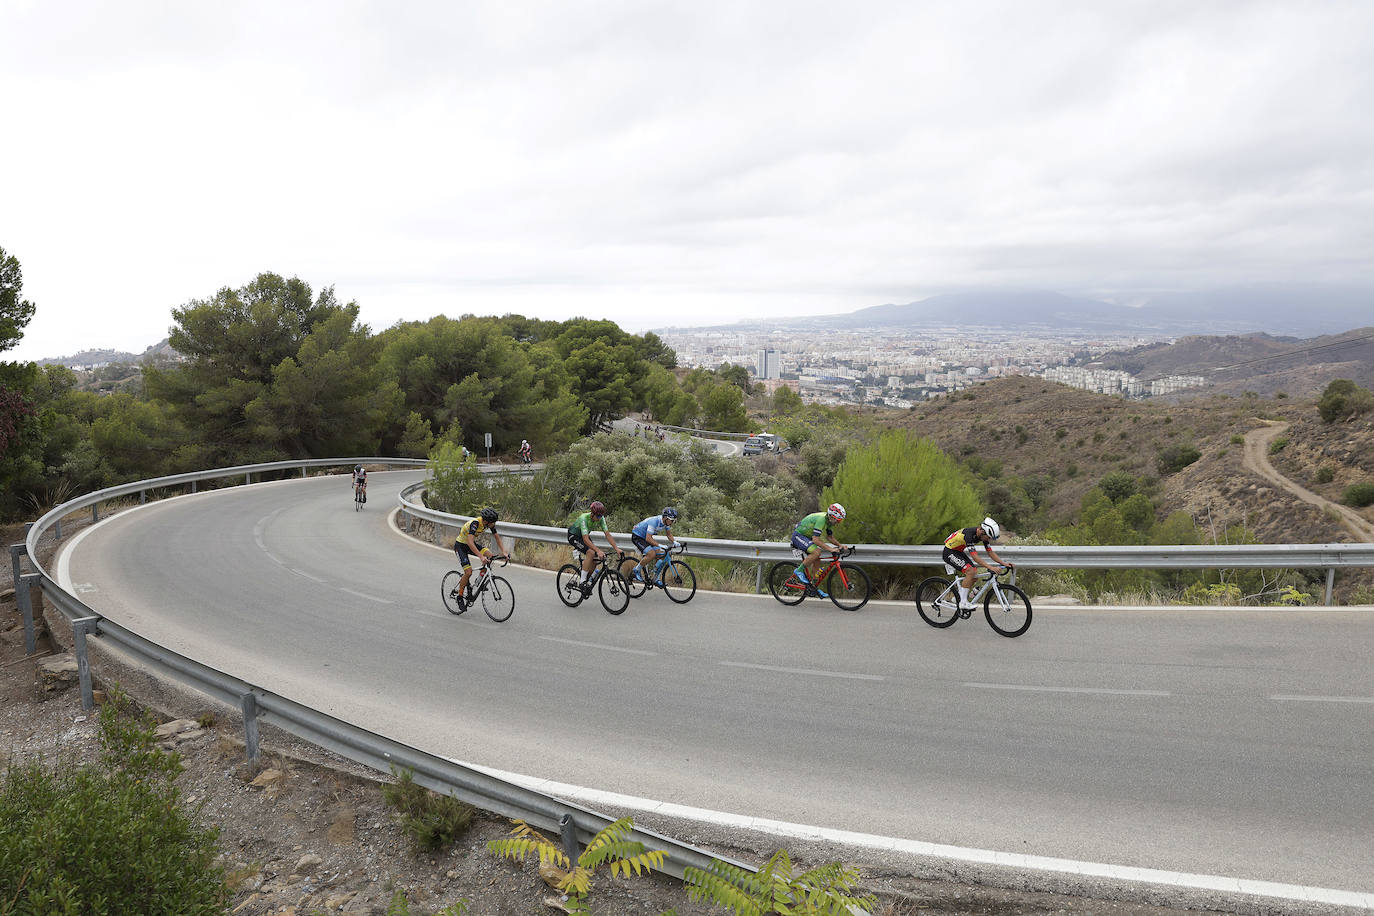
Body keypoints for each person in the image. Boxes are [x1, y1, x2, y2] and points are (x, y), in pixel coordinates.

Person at [943, 517, 1013, 609]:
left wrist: (1003, 563)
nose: (988, 539)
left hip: (958, 551)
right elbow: (975, 557)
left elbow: (990, 552)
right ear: (982, 531)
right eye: (988, 537)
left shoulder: (983, 536)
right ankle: (963, 603)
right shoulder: (968, 535)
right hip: (949, 552)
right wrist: (991, 567)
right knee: (970, 572)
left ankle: (958, 598)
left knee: (974, 575)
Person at [452, 507, 508, 611]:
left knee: (490, 556)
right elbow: (469, 541)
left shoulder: (488, 524)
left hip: (470, 545)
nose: (494, 524)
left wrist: (504, 552)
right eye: (493, 522)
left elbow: (497, 537)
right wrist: (481, 557)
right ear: (487, 521)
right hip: (460, 546)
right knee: (468, 572)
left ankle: (479, 581)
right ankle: (459, 596)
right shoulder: (475, 524)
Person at [790, 503, 849, 597]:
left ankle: (813, 587)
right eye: (838, 520)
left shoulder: (829, 521)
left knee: (817, 559)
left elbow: (829, 537)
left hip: (807, 537)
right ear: (832, 516)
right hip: (799, 536)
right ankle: (799, 571)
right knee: (817, 552)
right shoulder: (821, 519)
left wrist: (840, 545)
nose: (838, 523)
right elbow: (815, 539)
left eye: (840, 520)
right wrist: (831, 549)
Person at [566, 500, 623, 593]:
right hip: (574, 536)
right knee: (591, 552)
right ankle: (582, 582)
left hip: (584, 536)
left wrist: (616, 548)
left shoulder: (601, 518)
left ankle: (587, 578)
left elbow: (607, 535)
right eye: (598, 516)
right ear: (592, 514)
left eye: (601, 516)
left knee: (597, 558)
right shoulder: (584, 518)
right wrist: (598, 550)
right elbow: (585, 539)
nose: (600, 518)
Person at [630, 507, 679, 584]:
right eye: (672, 520)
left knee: (659, 553)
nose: (672, 522)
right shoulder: (654, 522)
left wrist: (674, 541)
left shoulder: (666, 522)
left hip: (645, 537)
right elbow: (648, 539)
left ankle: (656, 578)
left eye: (673, 521)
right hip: (638, 536)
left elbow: (669, 534)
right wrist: (660, 545)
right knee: (651, 554)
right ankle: (636, 570)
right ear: (666, 518)